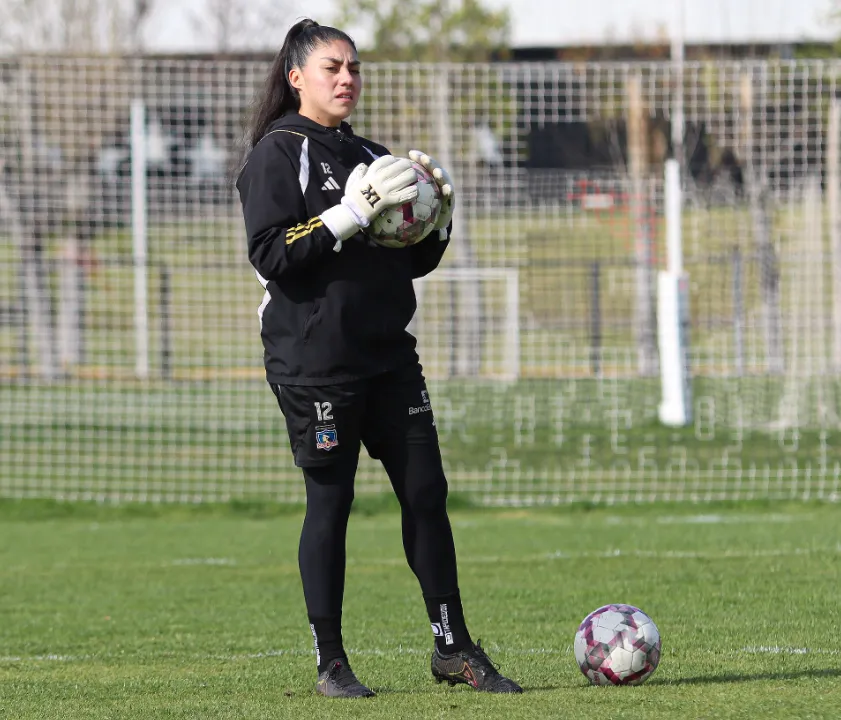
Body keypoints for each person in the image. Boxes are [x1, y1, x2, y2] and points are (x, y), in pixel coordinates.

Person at [235, 18, 523, 698]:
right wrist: (350, 211)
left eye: (354, 67)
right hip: (316, 363)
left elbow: (407, 257)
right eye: (332, 67)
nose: (346, 78)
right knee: (330, 504)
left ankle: (452, 648)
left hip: (389, 355)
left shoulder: (371, 151)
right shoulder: (277, 154)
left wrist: (436, 223)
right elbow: (272, 254)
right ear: (295, 75)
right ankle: (331, 663)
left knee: (426, 494)